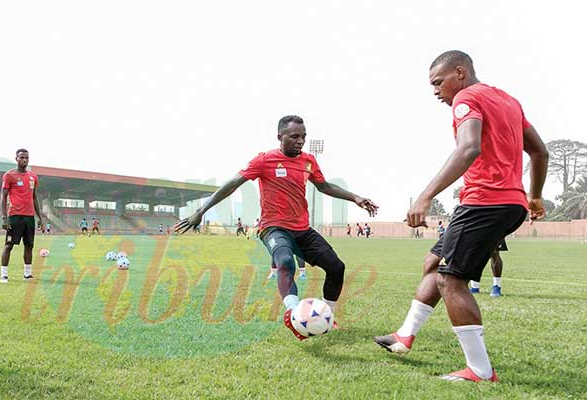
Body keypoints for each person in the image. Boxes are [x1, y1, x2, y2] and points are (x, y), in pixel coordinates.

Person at [373, 51, 548, 383]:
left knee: (450, 280)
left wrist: (425, 196)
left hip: (485, 202)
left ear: (460, 72)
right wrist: (535, 195)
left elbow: (468, 148)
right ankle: (404, 335)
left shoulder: (466, 97)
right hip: (509, 203)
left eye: (439, 83)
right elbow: (540, 151)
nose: (436, 91)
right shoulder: (509, 101)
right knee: (432, 262)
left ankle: (479, 371)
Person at [176, 115, 378, 340]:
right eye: (294, 136)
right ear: (280, 137)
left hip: (302, 229)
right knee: (284, 261)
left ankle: (329, 316)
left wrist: (356, 198)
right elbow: (232, 184)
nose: (300, 141)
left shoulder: (309, 161)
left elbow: (324, 186)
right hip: (273, 227)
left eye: (303, 136)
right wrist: (200, 212)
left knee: (336, 267)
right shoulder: (264, 160)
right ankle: (292, 314)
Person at [0, 149, 42, 283]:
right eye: (22, 157)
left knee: (29, 245)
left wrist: (40, 217)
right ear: (16, 159)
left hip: (29, 217)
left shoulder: (33, 177)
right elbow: (3, 196)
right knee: (9, 245)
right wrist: (4, 217)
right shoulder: (9, 175)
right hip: (15, 216)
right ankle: (4, 275)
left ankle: (27, 274)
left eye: (27, 158)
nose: (25, 160)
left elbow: (34, 197)